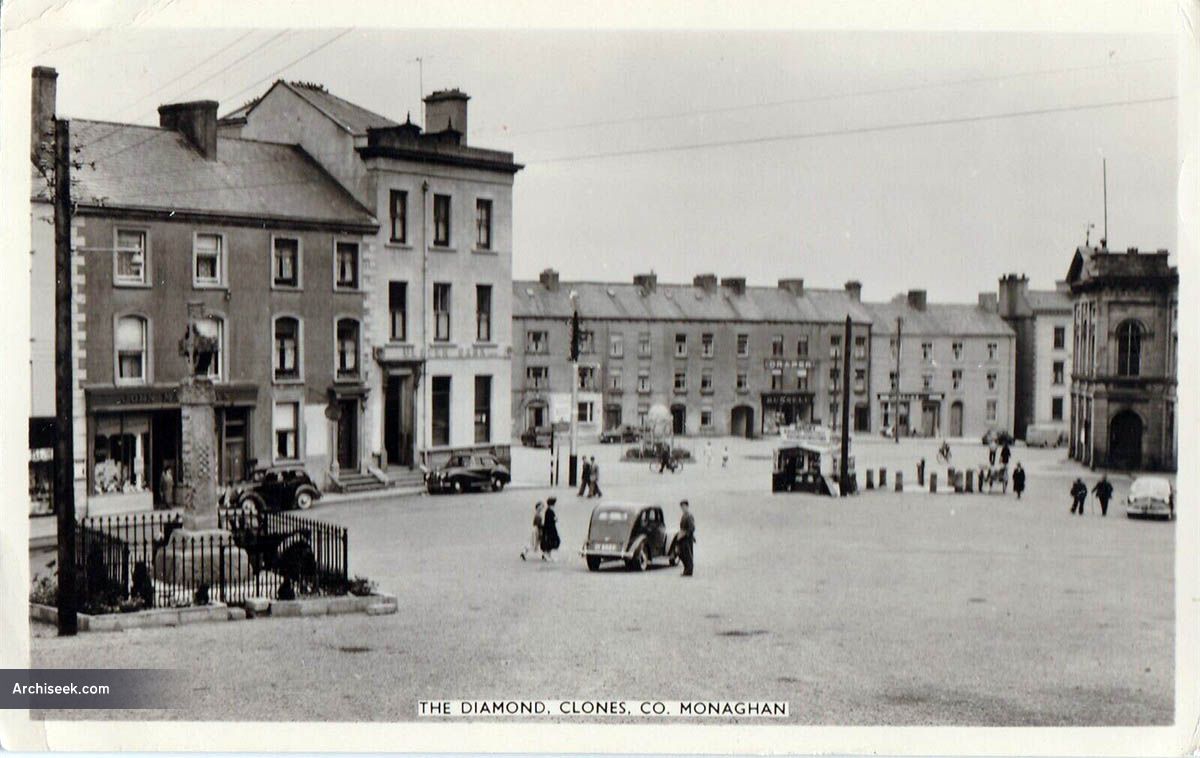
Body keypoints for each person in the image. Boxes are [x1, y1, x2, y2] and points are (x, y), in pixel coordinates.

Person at [677, 499, 696, 577]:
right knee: (682, 554)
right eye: (682, 507)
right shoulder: (684, 515)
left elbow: (692, 527)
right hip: (683, 537)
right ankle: (686, 569)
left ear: (687, 506)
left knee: (688, 555)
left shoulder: (689, 516)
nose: (683, 508)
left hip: (687, 538)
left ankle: (689, 571)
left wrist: (686, 534)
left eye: (684, 506)